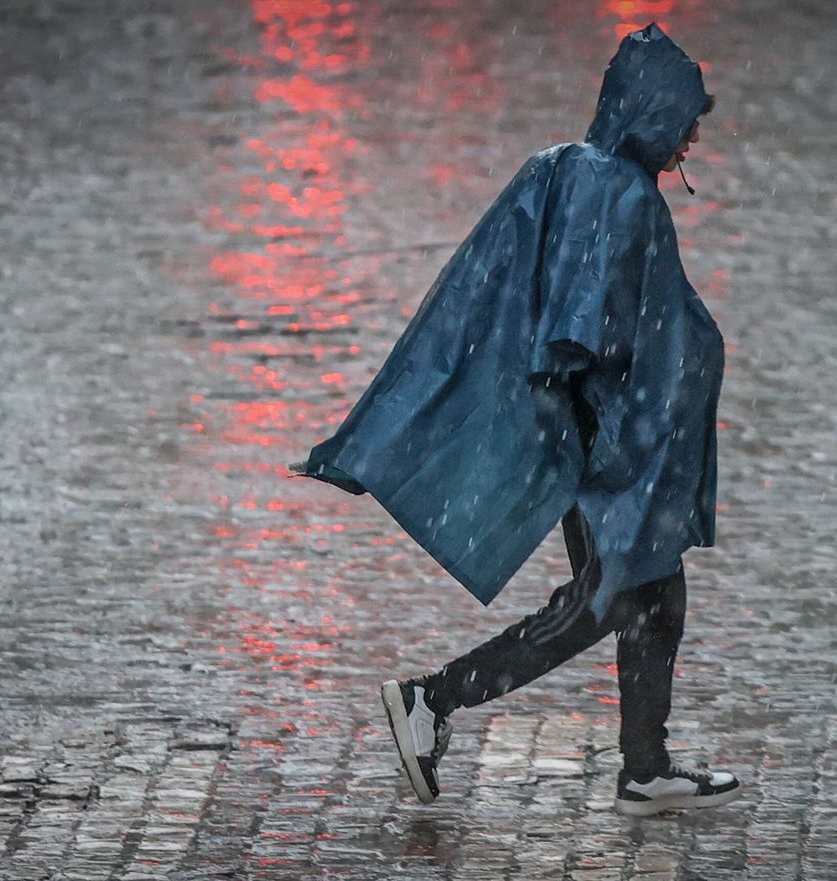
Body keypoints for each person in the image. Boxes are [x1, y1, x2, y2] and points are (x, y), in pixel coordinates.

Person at [292, 23, 739, 817]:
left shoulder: (574, 171)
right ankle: (435, 698)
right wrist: (608, 433)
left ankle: (646, 768)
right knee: (607, 600)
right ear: (656, 114)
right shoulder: (619, 194)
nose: (693, 134)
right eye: (687, 118)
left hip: (603, 434)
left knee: (652, 596)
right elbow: (589, 322)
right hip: (609, 443)